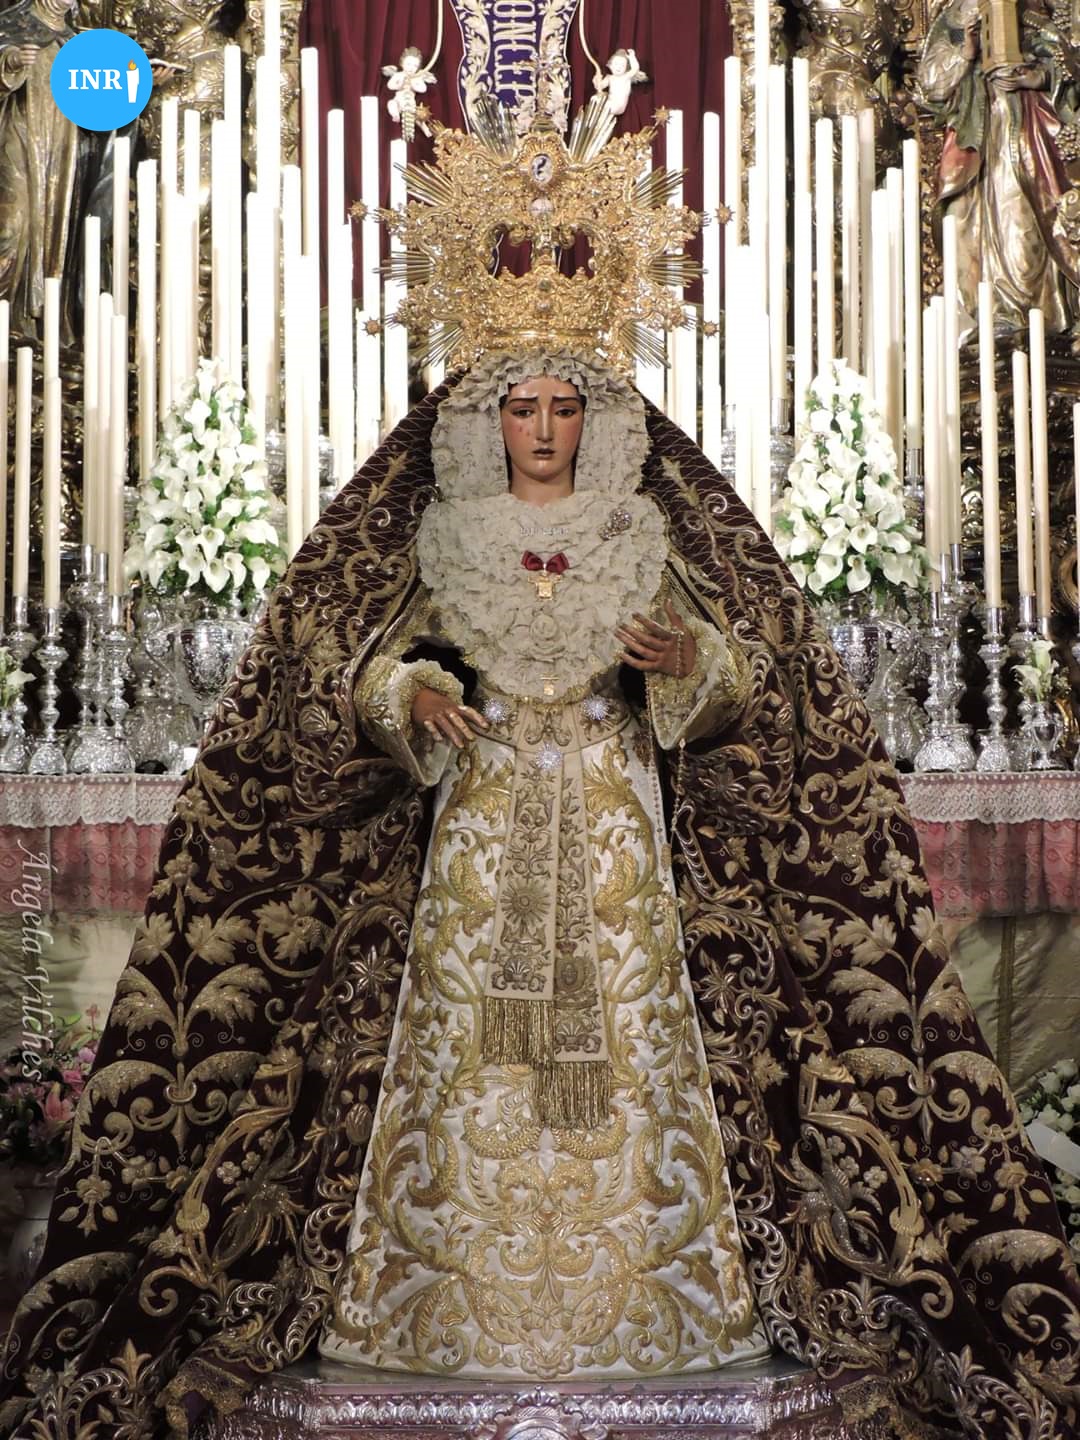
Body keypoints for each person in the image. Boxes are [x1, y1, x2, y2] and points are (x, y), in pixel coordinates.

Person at [3, 100, 1080, 1440]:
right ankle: (432, 1305)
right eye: (525, 407)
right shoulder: (439, 527)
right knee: (455, 1060)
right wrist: (410, 698)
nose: (548, 429)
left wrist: (685, 663)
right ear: (489, 416)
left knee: (640, 1055)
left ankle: (661, 1301)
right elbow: (355, 666)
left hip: (621, 837)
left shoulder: (647, 524)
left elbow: (751, 678)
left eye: (568, 406)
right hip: (473, 834)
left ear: (597, 415)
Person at [919, 0, 1080, 334]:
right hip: (974, 144)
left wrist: (1041, 77)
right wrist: (965, 52)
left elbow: (1070, 63)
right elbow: (931, 85)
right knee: (963, 226)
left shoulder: (1041, 12)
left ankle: (1031, 319)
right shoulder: (958, 14)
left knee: (1020, 225)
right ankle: (987, 316)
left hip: (1027, 136)